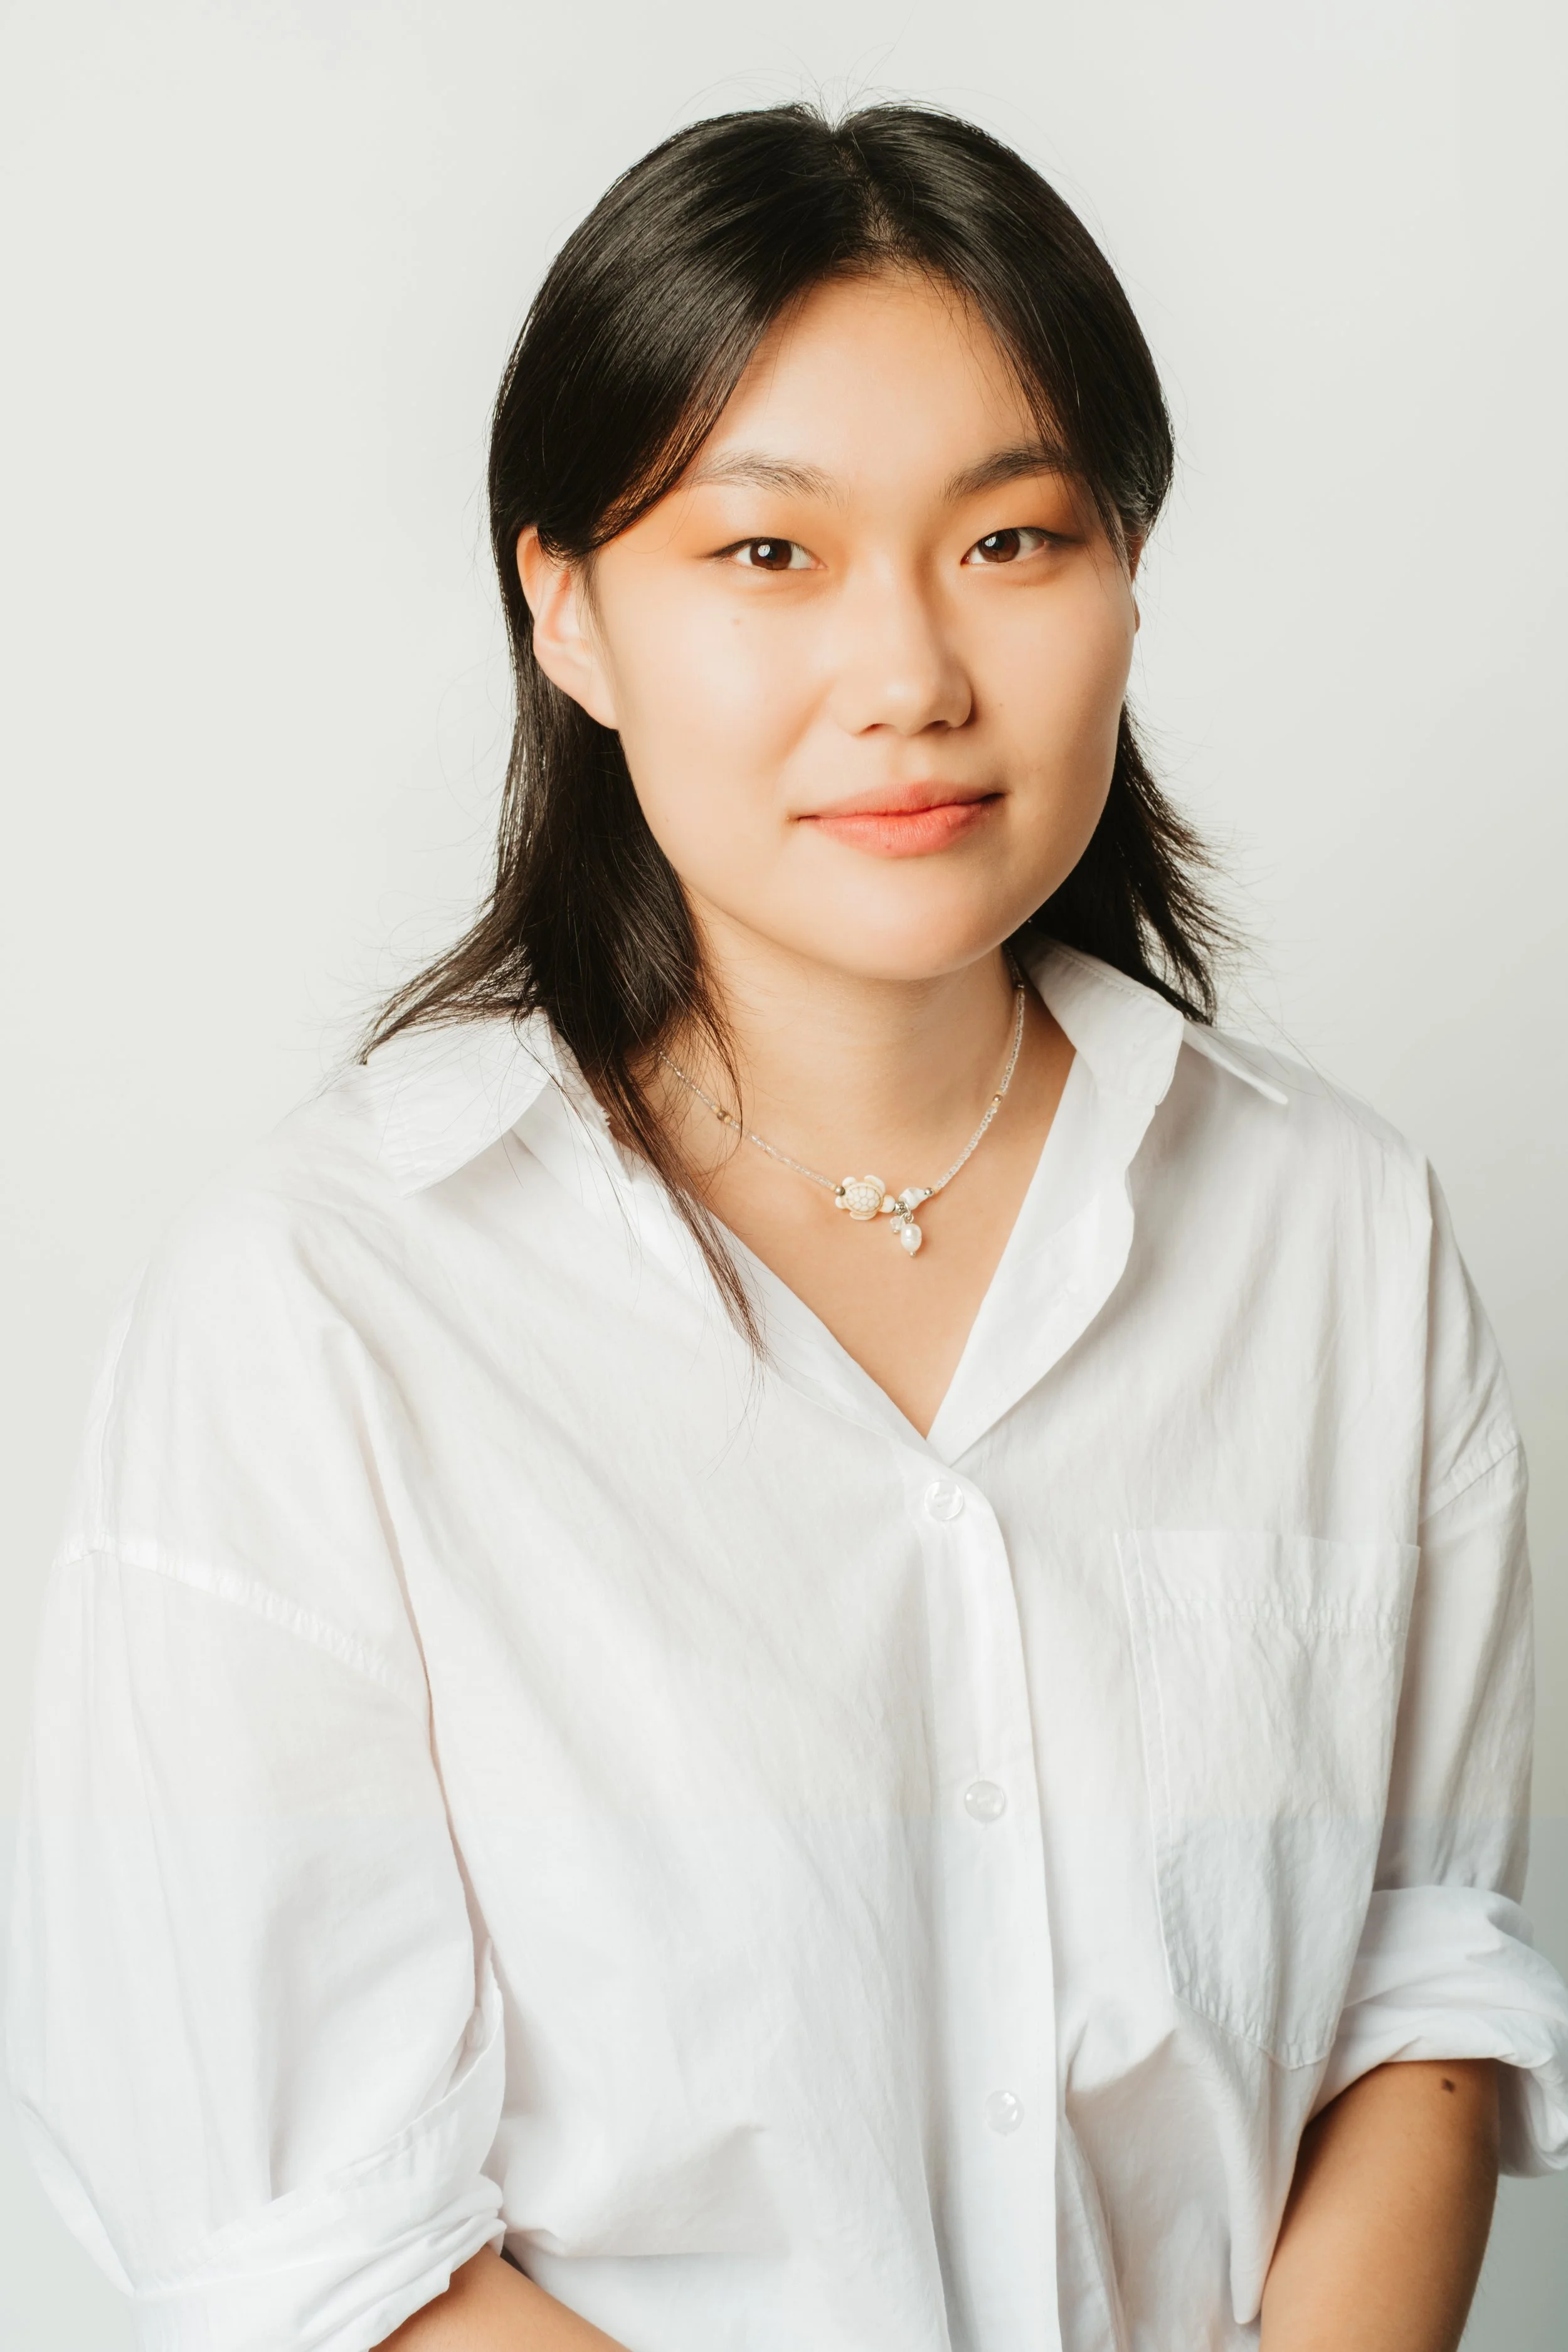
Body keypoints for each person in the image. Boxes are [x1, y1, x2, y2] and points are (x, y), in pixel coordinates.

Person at [8, 100, 1567, 2352]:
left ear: (1126, 567)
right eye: (767, 555)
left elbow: (1418, 1976)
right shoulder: (328, 1304)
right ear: (566, 610)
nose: (911, 675)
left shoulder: (1335, 1227)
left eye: (1011, 541)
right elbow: (301, 2245)